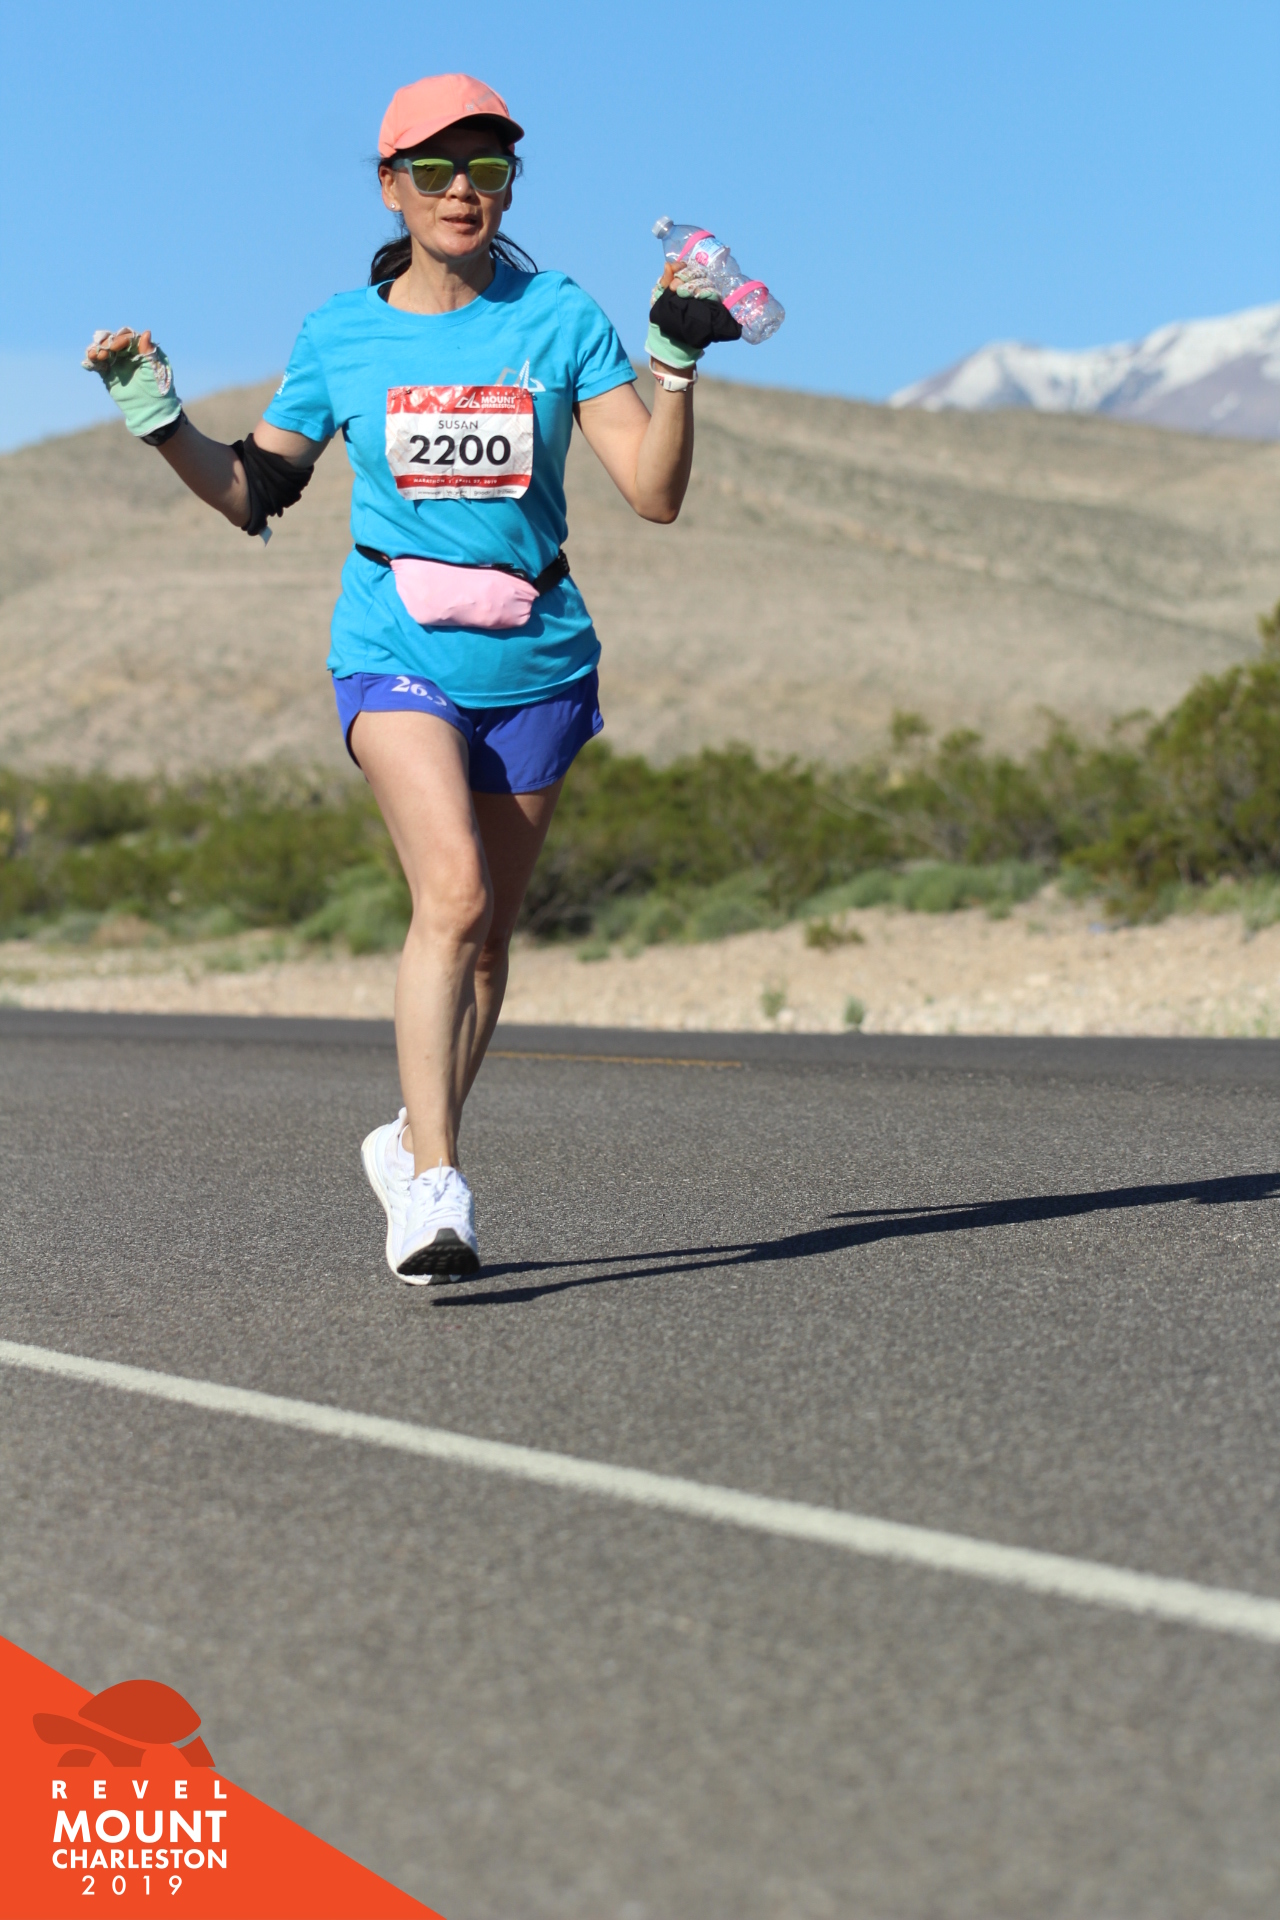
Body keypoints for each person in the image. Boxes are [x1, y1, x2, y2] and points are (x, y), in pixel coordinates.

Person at [83, 73, 720, 1283]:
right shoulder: (342, 335)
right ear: (390, 186)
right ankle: (436, 1189)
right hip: (394, 649)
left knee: (487, 945)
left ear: (508, 186)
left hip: (535, 656)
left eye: (486, 168)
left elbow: (653, 493)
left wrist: (676, 366)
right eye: (434, 169)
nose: (461, 190)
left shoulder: (558, 317)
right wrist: (159, 418)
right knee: (454, 895)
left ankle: (408, 1137)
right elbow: (254, 491)